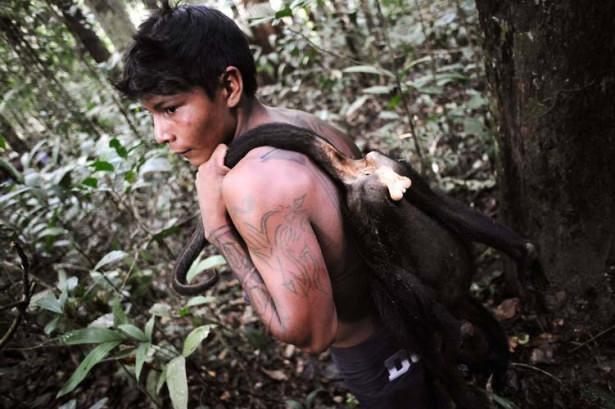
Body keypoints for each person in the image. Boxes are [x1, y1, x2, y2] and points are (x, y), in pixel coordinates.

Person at [117, 3, 434, 408]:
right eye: (151, 114)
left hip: (380, 359)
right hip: (417, 317)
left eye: (170, 108)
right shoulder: (303, 123)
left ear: (229, 86)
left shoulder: (255, 184)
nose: (160, 134)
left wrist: (218, 232)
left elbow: (310, 335)